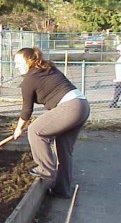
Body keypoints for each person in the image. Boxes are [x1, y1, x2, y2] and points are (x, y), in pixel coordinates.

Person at [13, 47, 90, 199]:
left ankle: (45, 169)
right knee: (63, 149)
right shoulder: (47, 69)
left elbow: (27, 110)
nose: (16, 65)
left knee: (35, 130)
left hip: (70, 107)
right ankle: (62, 190)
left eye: (18, 62)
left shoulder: (29, 79)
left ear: (29, 61)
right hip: (82, 105)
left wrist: (18, 128)